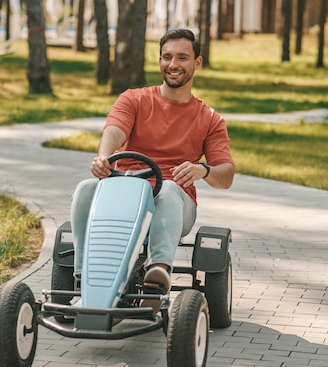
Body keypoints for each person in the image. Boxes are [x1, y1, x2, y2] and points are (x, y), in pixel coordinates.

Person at [70, 28, 235, 311]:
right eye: (167, 57)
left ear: (197, 63)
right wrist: (104, 158)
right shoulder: (134, 99)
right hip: (126, 193)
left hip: (174, 202)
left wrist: (203, 171)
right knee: (86, 188)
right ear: (159, 61)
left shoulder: (209, 118)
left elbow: (226, 174)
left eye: (182, 57)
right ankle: (84, 278)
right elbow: (114, 130)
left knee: (169, 189)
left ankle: (157, 274)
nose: (173, 64)